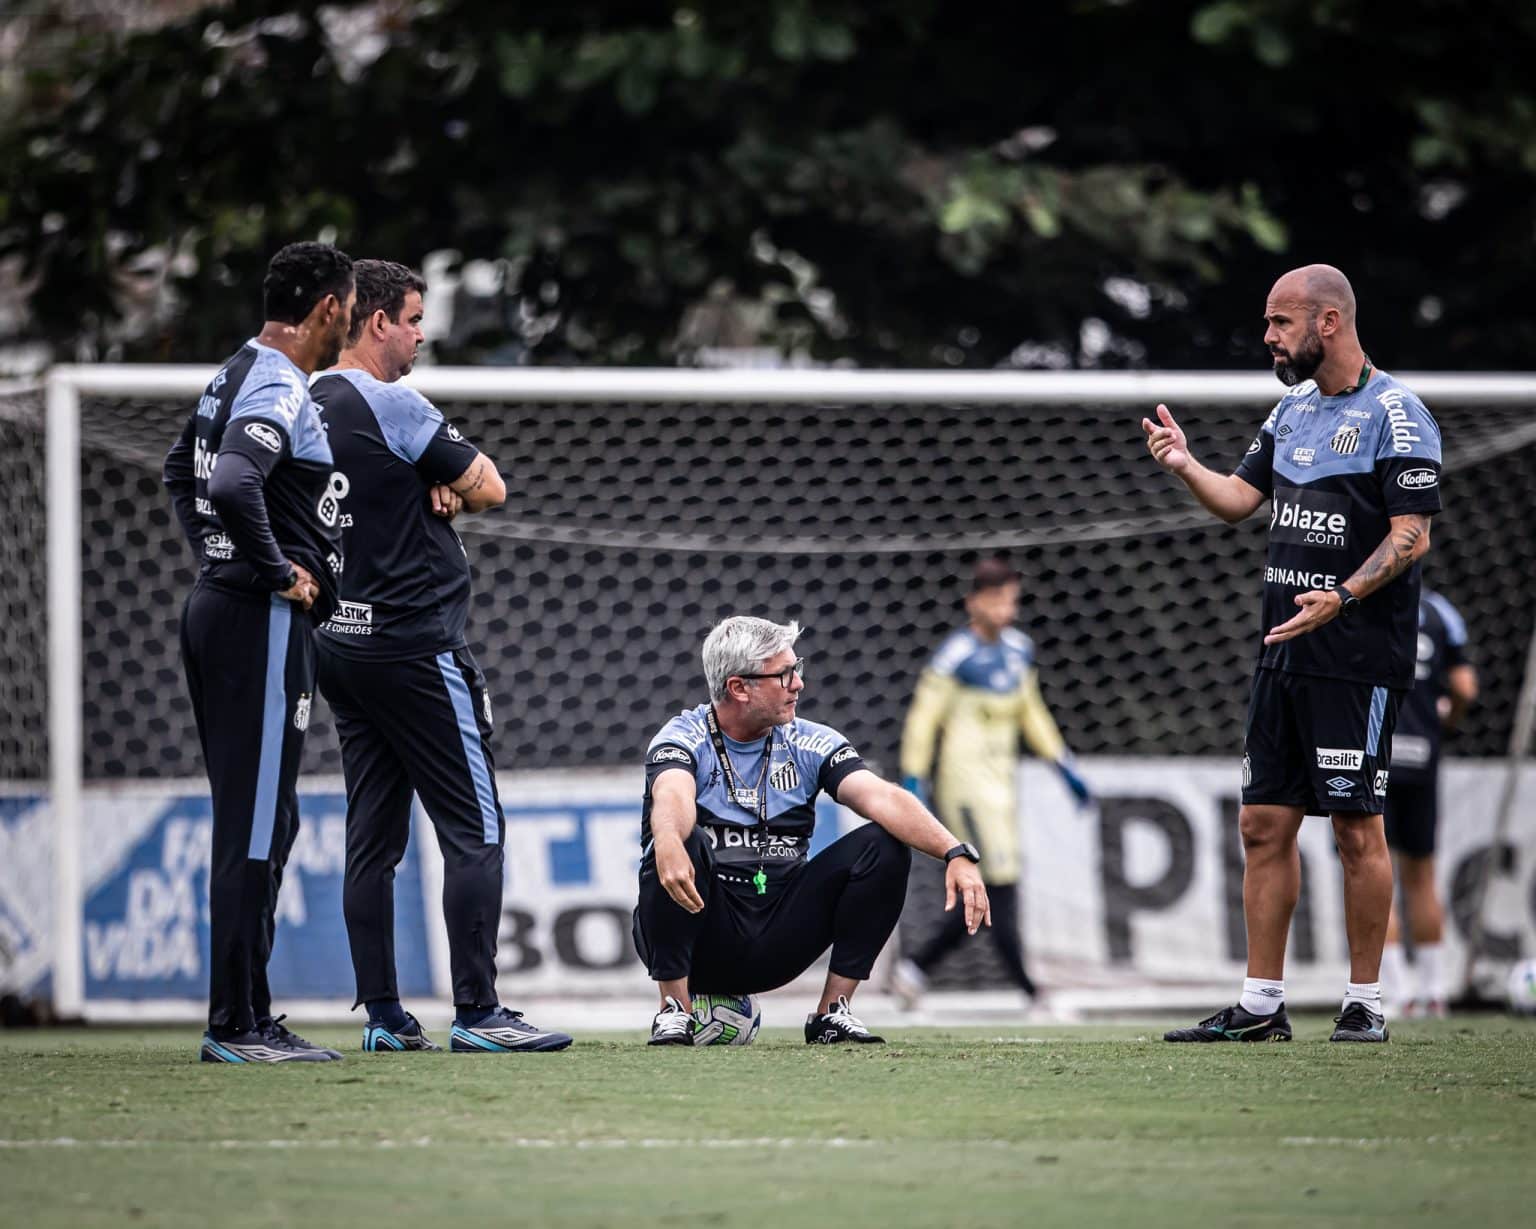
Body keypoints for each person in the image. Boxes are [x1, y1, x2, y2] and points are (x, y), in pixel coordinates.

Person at [1143, 263, 1443, 1043]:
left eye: (1281, 323)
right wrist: (1186, 467)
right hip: (1281, 650)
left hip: (1354, 655)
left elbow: (1412, 534)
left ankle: (1365, 1001)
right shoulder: (1292, 413)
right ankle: (1261, 1002)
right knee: (1262, 824)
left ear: (1329, 323)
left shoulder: (1398, 415)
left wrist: (1340, 596)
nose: (1269, 337)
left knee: (1354, 827)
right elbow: (1241, 502)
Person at [311, 260, 572, 1054]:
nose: (423, 333)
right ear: (378, 320)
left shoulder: (303, 399)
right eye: (415, 318)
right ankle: (479, 1011)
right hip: (416, 645)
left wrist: (432, 485)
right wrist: (452, 483)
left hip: (339, 641)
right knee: (475, 828)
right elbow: (490, 484)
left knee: (374, 839)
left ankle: (385, 1016)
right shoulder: (391, 400)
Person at [162, 241, 355, 1063]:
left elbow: (182, 470)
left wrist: (215, 558)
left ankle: (249, 1014)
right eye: (347, 304)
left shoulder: (233, 370)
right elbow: (235, 481)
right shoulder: (277, 382)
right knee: (254, 826)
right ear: (328, 310)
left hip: (225, 606)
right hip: (258, 621)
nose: (347, 317)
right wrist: (274, 571)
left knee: (264, 819)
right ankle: (235, 1023)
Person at [634, 615, 991, 1045]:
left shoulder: (809, 741)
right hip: (699, 935)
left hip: (777, 937)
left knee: (883, 843)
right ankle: (674, 1010)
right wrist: (670, 842)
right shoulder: (683, 735)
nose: (797, 683)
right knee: (673, 840)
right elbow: (672, 795)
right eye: (783, 674)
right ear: (739, 688)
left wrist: (955, 852)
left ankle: (831, 1013)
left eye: (796, 668)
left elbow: (882, 797)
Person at [891, 557, 1092, 1010]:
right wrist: (913, 775)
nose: (1007, 609)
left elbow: (1032, 713)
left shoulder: (1019, 650)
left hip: (1001, 788)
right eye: (998, 600)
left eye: (1012, 600)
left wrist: (1063, 764)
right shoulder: (954, 657)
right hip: (964, 785)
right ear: (974, 602)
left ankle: (914, 970)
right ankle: (1030, 990)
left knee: (989, 887)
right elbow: (924, 719)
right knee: (998, 884)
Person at [1380, 589, 1477, 1017]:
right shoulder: (1442, 612)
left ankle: (1397, 992)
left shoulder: (1358, 596)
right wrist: (1445, 726)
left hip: (1373, 752)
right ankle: (1435, 990)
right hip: (1422, 754)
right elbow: (1464, 688)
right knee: (1421, 875)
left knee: (1372, 870)